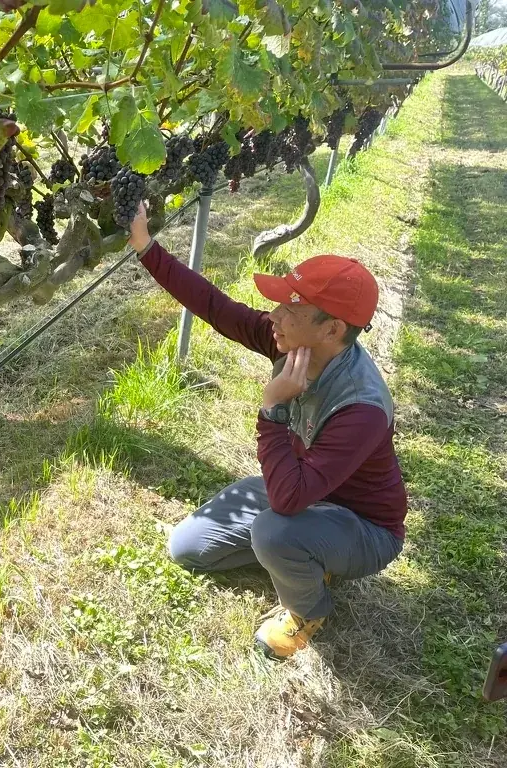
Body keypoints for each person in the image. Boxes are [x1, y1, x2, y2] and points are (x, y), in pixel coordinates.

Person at [128, 203, 407, 659]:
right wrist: (146, 248)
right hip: (308, 491)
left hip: (364, 527)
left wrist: (273, 407)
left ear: (332, 328)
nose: (274, 314)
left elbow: (289, 500)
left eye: (291, 308)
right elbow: (217, 307)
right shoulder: (290, 342)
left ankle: (307, 609)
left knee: (276, 531)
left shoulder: (362, 407)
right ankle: (308, 558)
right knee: (188, 549)